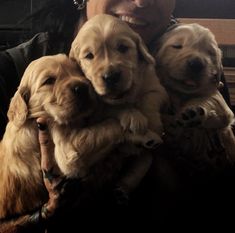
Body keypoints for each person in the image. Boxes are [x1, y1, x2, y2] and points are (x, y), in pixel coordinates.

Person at [0, 0, 233, 232]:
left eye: (123, 48)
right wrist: (44, 214)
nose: (141, 1)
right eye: (90, 56)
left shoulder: (197, 59)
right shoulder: (13, 71)